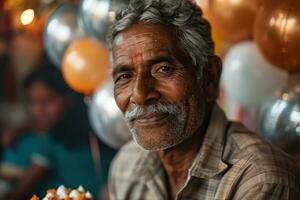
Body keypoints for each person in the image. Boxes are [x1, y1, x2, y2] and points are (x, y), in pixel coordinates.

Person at [107, 0, 300, 199]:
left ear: (209, 78)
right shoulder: (125, 167)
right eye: (125, 76)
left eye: (163, 69)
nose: (139, 95)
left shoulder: (260, 180)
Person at [1, 62, 116, 199]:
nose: (39, 111)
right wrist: (23, 128)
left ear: (68, 98)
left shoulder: (50, 142)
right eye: (32, 102)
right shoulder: (94, 128)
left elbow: (20, 193)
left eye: (47, 101)